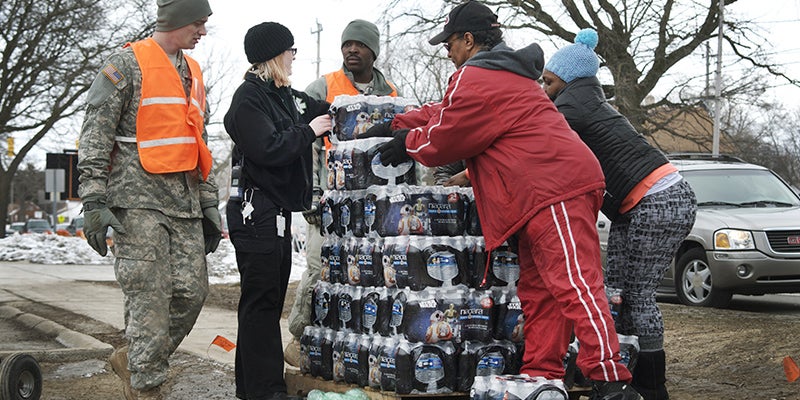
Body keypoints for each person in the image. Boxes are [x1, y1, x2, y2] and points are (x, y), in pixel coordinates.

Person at [360, 2, 641, 399]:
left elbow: (447, 137)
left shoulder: (476, 75)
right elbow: (448, 113)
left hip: (553, 187)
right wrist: (399, 122)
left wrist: (406, 143)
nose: (446, 50)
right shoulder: (500, 76)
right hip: (539, 193)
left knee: (575, 283)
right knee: (540, 290)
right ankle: (542, 375)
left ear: (469, 40)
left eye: (450, 42)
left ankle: (610, 381)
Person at [541, 28, 697, 400]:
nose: (542, 87)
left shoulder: (570, 108)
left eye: (547, 81)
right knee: (617, 293)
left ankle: (651, 386)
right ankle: (621, 375)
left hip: (659, 199)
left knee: (639, 295)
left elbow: (535, 139)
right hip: (644, 203)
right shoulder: (588, 102)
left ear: (567, 79)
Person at [76, 0, 219, 398]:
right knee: (149, 297)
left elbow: (198, 140)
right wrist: (93, 201)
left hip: (185, 202)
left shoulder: (192, 71)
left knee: (192, 294)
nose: (202, 32)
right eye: (199, 23)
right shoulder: (125, 64)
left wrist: (208, 202)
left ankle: (136, 358)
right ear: (177, 20)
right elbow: (95, 134)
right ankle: (145, 385)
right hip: (135, 202)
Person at [223, 21, 332, 399]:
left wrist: (347, 112)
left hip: (277, 214)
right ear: (273, 55)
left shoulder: (285, 96)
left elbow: (318, 109)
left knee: (267, 301)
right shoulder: (248, 99)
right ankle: (266, 390)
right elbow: (268, 147)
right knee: (261, 303)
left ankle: (252, 388)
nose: (293, 57)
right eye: (290, 51)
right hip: (255, 214)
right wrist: (310, 131)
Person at [284, 19, 399, 366]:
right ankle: (298, 336)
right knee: (320, 267)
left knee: (367, 275)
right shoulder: (323, 87)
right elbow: (304, 143)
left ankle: (351, 347)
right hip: (328, 198)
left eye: (360, 45)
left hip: (372, 202)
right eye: (347, 44)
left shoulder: (391, 94)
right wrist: (311, 194)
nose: (352, 49)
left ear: (373, 51)